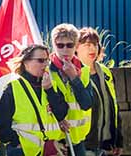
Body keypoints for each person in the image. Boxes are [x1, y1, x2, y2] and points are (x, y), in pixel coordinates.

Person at [0, 45, 69, 156]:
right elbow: (1, 125)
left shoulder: (50, 84)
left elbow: (62, 113)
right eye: (40, 60)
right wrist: (16, 142)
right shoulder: (12, 87)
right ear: (26, 62)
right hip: (22, 151)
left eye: (47, 60)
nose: (45, 64)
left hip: (49, 150)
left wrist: (49, 90)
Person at [48, 23, 94, 156]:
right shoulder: (45, 69)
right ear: (54, 45)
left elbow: (87, 104)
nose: (65, 49)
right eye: (60, 45)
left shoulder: (83, 70)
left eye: (69, 45)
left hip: (77, 139)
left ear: (76, 46)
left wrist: (74, 78)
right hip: (55, 138)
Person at [76, 27, 123, 156]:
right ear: (76, 48)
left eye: (95, 44)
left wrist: (118, 140)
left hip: (106, 145)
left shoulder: (106, 72)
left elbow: (115, 107)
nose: (92, 49)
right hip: (82, 145)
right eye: (87, 45)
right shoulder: (72, 74)